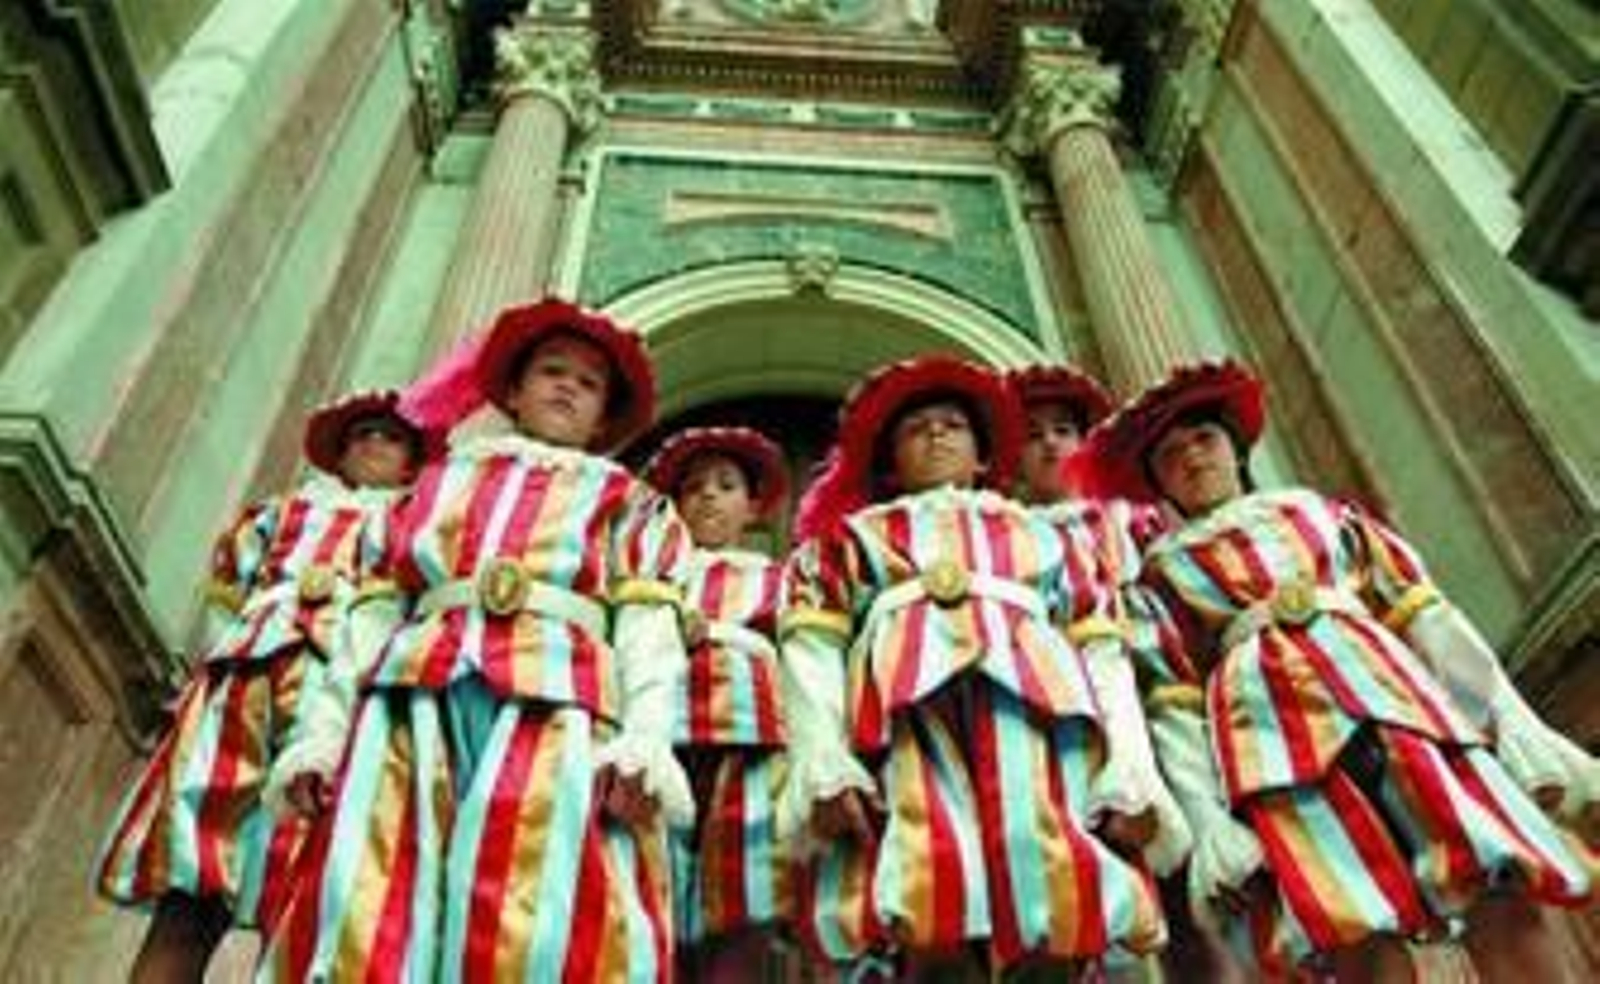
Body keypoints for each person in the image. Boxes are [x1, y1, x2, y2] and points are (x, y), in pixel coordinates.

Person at [1075, 359, 1599, 980]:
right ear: (1158, 484)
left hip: (1397, 700)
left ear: (1236, 449)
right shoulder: (1159, 576)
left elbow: (1423, 615)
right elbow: (1173, 699)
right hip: (1270, 744)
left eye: (1204, 440)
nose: (1191, 458)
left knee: (1496, 873)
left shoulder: (1328, 518)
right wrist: (1208, 816)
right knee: (1345, 916)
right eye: (1169, 455)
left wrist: (1507, 718)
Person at [258, 298, 695, 981]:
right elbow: (369, 617)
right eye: (551, 371)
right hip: (410, 705)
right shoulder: (432, 486)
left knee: (536, 916)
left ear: (605, 416)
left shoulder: (632, 506)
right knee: (370, 903)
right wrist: (323, 731)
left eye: (587, 383)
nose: (566, 387)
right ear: (514, 390)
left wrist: (645, 740)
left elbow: (649, 630)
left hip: (558, 710)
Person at [780, 355, 1170, 980]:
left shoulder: (1050, 538)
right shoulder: (846, 541)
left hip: (1041, 724)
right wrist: (822, 758)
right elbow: (810, 651)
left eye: (952, 424)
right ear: (887, 461)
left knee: (1057, 900)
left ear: (985, 456)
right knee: (928, 899)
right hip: (901, 728)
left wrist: (1130, 762)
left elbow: (1102, 650)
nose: (936, 434)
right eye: (915, 428)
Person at [95, 390, 431, 983]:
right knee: (191, 885)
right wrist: (206, 666)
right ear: (338, 454)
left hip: (343, 701)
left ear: (412, 462)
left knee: (311, 893)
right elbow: (224, 600)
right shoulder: (279, 513)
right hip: (242, 687)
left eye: (391, 436)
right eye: (362, 434)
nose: (374, 442)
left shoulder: (420, 522)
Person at [643, 425, 796, 981]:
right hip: (662, 737)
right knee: (651, 877)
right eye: (694, 487)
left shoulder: (783, 579)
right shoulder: (651, 571)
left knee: (742, 885)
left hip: (749, 739)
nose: (708, 495)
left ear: (753, 507)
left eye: (726, 485)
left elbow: (804, 662)